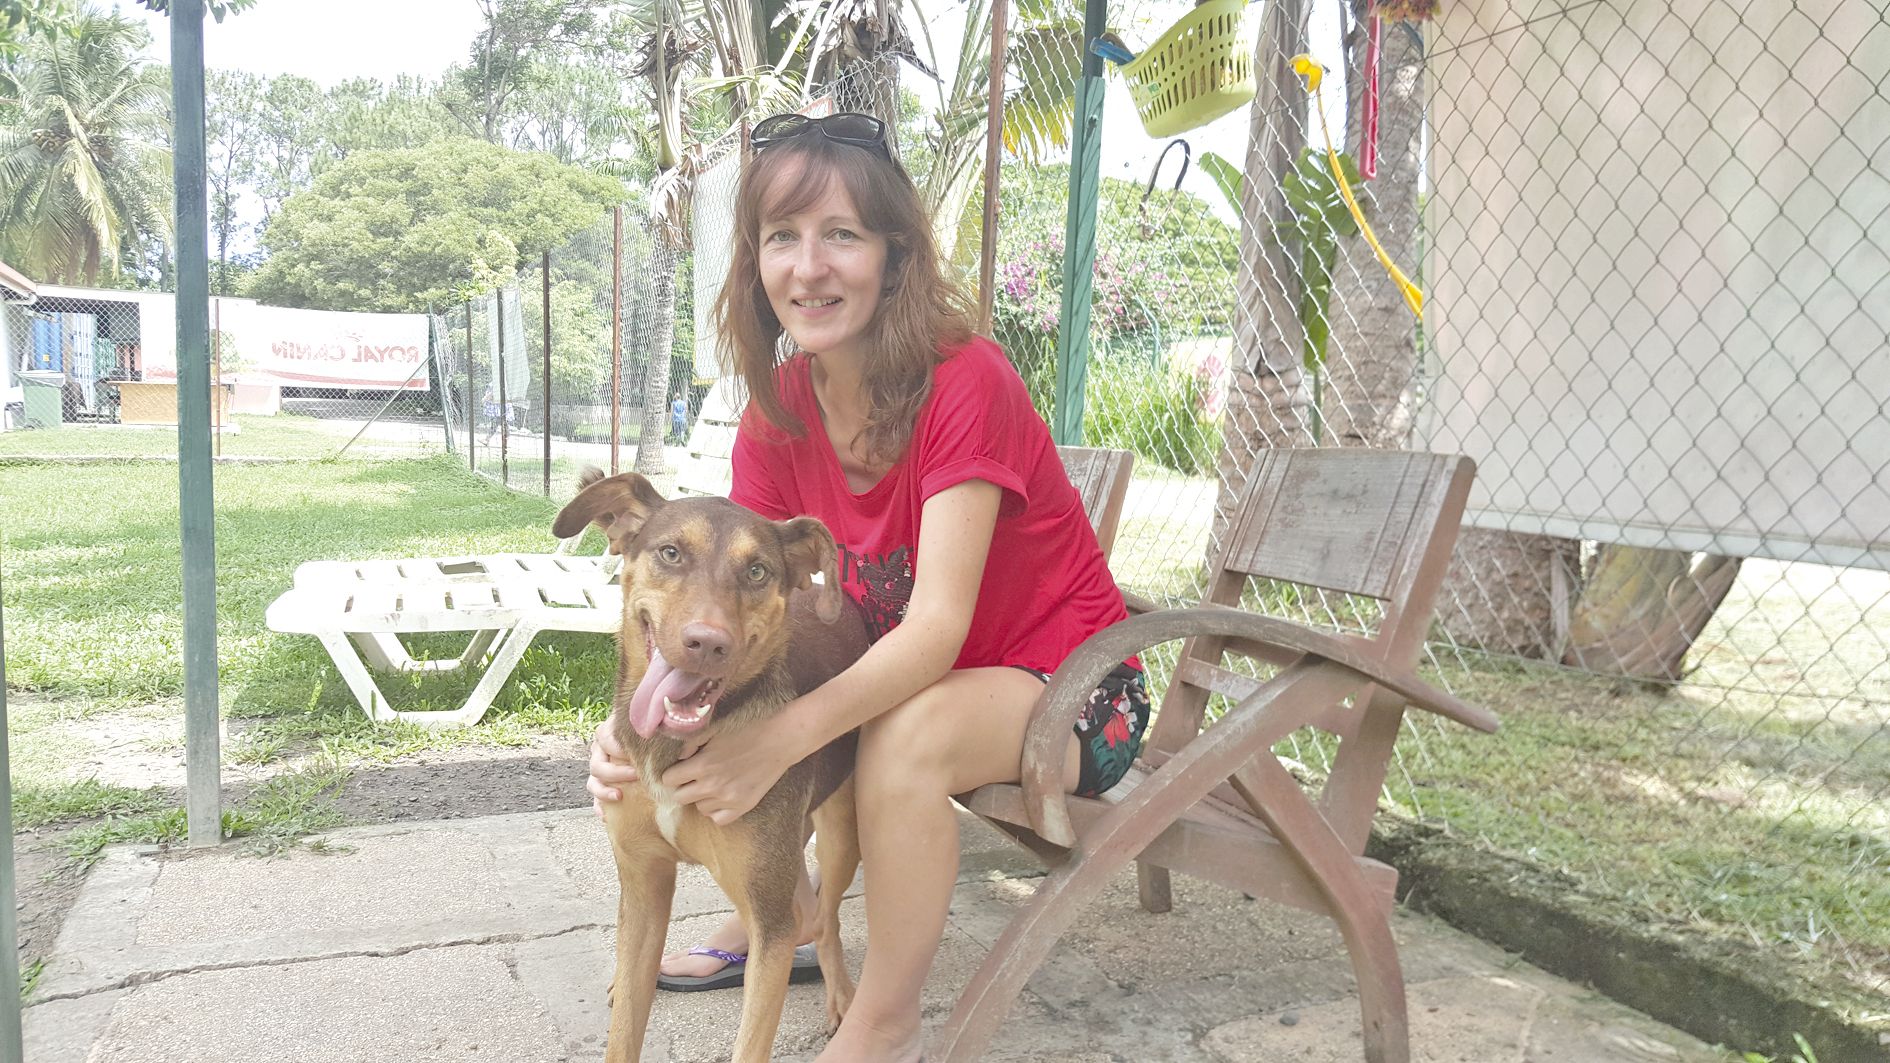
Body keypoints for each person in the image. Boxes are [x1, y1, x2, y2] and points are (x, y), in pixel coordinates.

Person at [585, 111, 1148, 1062]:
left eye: (841, 234)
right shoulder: (778, 412)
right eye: (782, 237)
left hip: (1076, 689)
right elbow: (750, 616)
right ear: (755, 264)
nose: (809, 267)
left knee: (893, 737)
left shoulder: (964, 381)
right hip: (921, 684)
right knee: (765, 724)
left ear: (894, 255)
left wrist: (780, 739)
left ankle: (885, 1022)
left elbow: (935, 628)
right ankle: (783, 903)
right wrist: (633, 728)